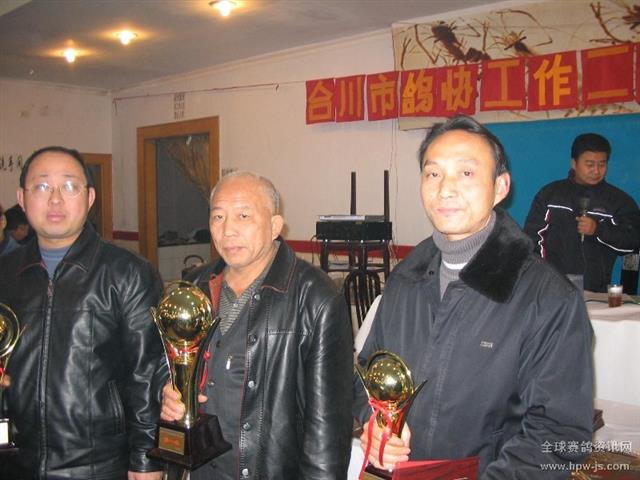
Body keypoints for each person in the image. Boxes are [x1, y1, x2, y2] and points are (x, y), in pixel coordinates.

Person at [354, 115, 594, 478]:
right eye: (433, 173)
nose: (445, 189)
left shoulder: (547, 298)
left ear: (500, 187)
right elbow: (369, 373)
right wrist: (376, 422)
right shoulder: (406, 278)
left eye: (466, 173)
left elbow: (560, 434)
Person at [160, 171, 353, 479]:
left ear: (275, 226)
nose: (228, 230)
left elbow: (327, 431)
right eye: (218, 217)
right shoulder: (194, 285)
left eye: (243, 215)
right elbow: (164, 368)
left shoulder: (315, 298)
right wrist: (168, 394)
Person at [0, 146, 167, 480]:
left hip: (99, 464)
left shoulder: (127, 273)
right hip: (16, 460)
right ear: (22, 198)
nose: (56, 199)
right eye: (42, 186)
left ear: (90, 198)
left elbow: (147, 374)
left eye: (70, 186)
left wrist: (146, 460)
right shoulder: (5, 272)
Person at [524, 133, 640, 292]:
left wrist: (598, 230)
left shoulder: (618, 201)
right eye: (589, 164)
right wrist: (543, 278)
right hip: (552, 289)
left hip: (596, 292)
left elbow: (633, 243)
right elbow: (532, 240)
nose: (596, 171)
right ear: (574, 163)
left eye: (602, 164)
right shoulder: (550, 195)